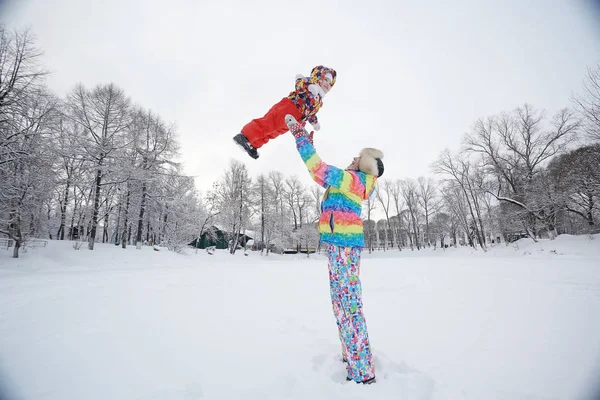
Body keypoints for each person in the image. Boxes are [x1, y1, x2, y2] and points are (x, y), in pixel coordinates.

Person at [285, 114, 384, 385]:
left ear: (364, 165)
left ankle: (363, 370)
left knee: (349, 304)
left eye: (356, 158)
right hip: (337, 246)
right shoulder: (345, 181)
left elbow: (320, 169)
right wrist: (308, 145)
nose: (352, 159)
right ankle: (350, 354)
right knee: (340, 303)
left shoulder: (355, 180)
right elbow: (316, 172)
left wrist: (300, 138)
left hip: (345, 247)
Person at [233, 65, 337, 159]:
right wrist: (309, 87)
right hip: (289, 107)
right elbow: (298, 83)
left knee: (274, 132)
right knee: (269, 123)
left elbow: (311, 113)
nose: (328, 84)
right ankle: (244, 136)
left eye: (330, 83)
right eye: (326, 79)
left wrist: (315, 122)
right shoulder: (309, 82)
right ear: (318, 77)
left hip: (296, 120)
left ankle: (254, 144)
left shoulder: (319, 101)